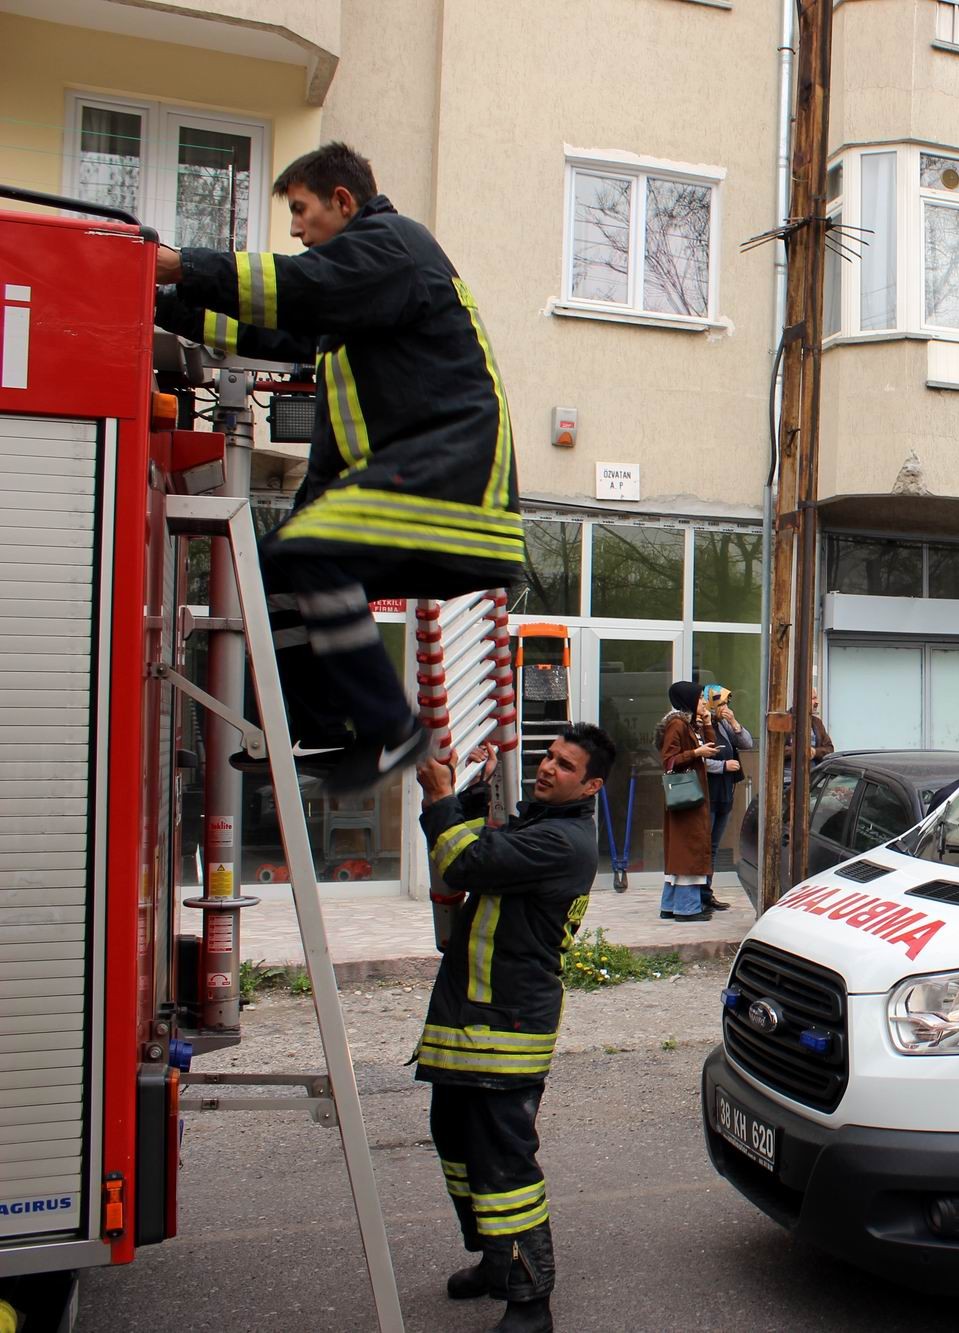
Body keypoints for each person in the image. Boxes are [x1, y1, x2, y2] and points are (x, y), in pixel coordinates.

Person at [152, 141, 523, 793]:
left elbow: (297, 286)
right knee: (274, 566)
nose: (296, 229)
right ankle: (325, 726)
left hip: (454, 487)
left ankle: (396, 725)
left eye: (302, 211)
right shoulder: (357, 302)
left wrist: (181, 265)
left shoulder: (392, 246)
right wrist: (160, 301)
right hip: (425, 482)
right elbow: (265, 327)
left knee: (310, 552)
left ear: (343, 202)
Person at [413, 723, 613, 1333]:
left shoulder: (564, 842)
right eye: (548, 756)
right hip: (471, 1019)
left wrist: (441, 796)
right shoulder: (538, 824)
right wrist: (469, 793)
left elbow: (465, 859)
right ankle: (496, 1261)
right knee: (456, 1143)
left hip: (507, 1027)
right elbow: (482, 847)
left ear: (592, 785)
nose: (548, 767)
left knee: (503, 1165)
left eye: (566, 765)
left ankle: (530, 1301)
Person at [657, 681, 717, 922]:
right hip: (686, 796)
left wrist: (709, 723)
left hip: (693, 795)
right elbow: (668, 759)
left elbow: (713, 748)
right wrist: (695, 754)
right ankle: (686, 908)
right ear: (688, 700)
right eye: (700, 698)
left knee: (686, 848)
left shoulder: (690, 724)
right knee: (689, 848)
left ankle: (670, 905)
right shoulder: (677, 724)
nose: (704, 702)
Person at [700, 684, 754, 913]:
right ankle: (698, 895)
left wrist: (733, 722)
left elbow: (747, 743)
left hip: (725, 794)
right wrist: (723, 766)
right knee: (703, 846)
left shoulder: (722, 725)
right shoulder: (701, 726)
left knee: (712, 846)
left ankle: (706, 893)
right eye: (720, 703)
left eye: (726, 704)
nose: (724, 708)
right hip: (707, 794)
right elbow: (698, 761)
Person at [780, 688, 835, 769]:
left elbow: (830, 749)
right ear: (802, 700)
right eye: (813, 698)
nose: (817, 702)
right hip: (787, 777)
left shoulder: (817, 723)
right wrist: (799, 750)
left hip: (813, 776)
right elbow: (777, 750)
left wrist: (815, 752)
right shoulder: (784, 720)